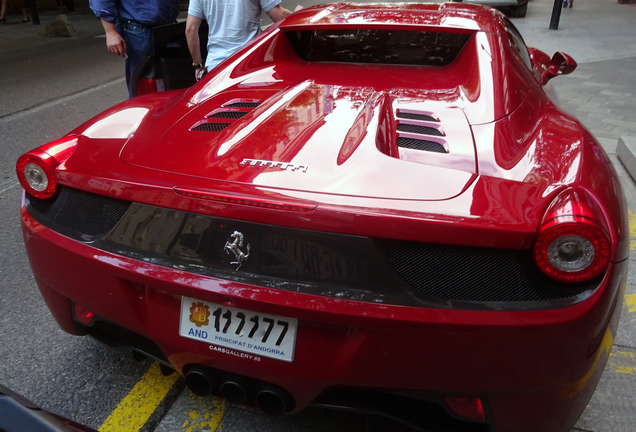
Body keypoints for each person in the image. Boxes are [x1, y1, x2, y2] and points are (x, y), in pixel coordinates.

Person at [186, 0, 301, 81]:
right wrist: (299, 15)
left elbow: (190, 30)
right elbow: (279, 16)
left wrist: (198, 65)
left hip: (216, 68)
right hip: (250, 63)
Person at [89, 0, 180, 98]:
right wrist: (110, 32)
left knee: (172, 81)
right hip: (139, 29)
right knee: (142, 85)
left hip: (168, 26)